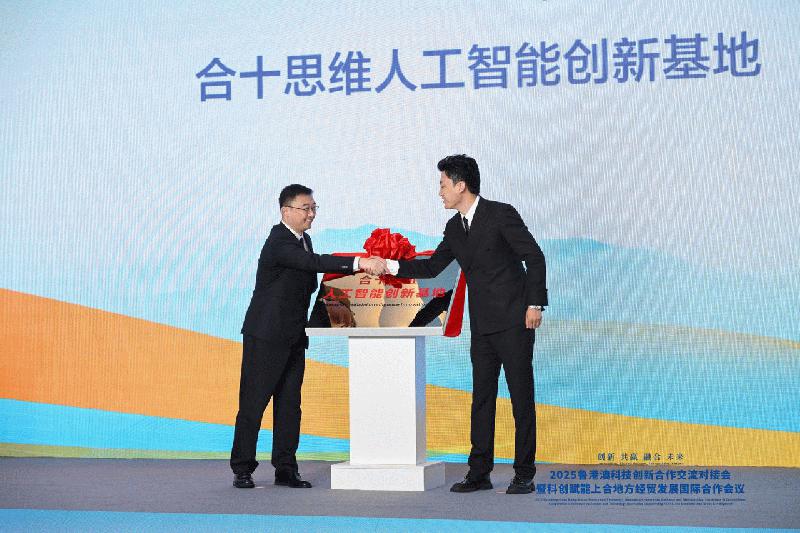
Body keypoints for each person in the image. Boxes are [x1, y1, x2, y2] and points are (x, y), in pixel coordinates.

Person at [385, 155, 547, 495]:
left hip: (515, 321)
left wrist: (534, 304)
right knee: (482, 399)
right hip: (483, 325)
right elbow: (432, 268)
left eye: (443, 185)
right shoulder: (454, 228)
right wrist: (389, 266)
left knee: (521, 399)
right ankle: (479, 473)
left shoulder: (501, 214)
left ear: (461, 186)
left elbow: (534, 256)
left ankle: (524, 474)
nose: (440, 192)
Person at [230, 184, 385, 489]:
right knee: (254, 403)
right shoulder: (278, 242)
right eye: (306, 208)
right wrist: (359, 263)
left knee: (290, 405)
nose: (312, 214)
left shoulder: (304, 240)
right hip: (266, 335)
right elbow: (312, 264)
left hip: (293, 335)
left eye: (314, 208)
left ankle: (286, 469)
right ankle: (242, 469)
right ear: (286, 211)